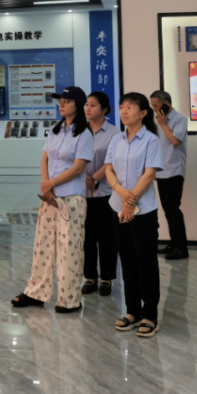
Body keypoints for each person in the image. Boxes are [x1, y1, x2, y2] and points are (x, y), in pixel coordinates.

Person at [12, 86, 92, 314]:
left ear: (78, 105)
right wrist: (46, 184)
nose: (62, 104)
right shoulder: (55, 130)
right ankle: (35, 293)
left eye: (67, 101)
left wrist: (52, 183)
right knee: (43, 246)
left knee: (69, 249)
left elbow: (78, 168)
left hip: (71, 198)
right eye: (60, 100)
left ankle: (69, 299)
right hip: (50, 197)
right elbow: (44, 159)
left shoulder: (84, 134)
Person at [104, 92, 164, 337]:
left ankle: (150, 315)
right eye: (122, 107)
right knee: (127, 260)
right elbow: (108, 169)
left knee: (146, 261)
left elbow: (150, 174)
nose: (124, 111)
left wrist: (131, 200)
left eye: (130, 107)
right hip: (117, 206)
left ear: (143, 113)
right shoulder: (116, 139)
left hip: (143, 210)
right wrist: (120, 193)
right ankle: (132, 311)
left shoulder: (151, 140)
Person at [82, 92, 120, 297]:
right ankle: (90, 277)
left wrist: (95, 178)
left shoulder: (114, 133)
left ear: (104, 109)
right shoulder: (79, 130)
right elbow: (73, 159)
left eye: (93, 105)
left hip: (105, 192)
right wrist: (83, 178)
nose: (88, 109)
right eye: (87, 105)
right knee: (86, 238)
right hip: (82, 193)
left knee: (107, 238)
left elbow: (112, 161)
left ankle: (106, 278)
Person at [150, 90, 190, 260]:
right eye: (152, 106)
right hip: (162, 171)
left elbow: (175, 141)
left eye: (156, 106)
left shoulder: (180, 119)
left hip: (174, 171)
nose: (154, 109)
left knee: (173, 210)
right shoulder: (159, 122)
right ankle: (174, 243)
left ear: (166, 104)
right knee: (167, 210)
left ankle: (181, 248)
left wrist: (163, 124)